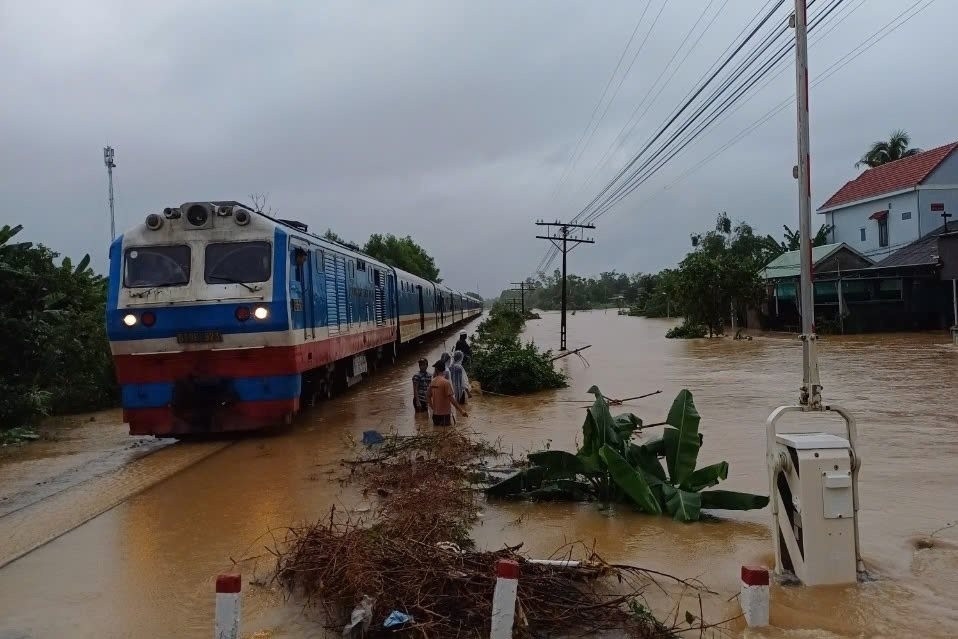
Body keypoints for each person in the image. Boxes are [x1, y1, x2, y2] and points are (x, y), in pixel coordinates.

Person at [428, 360, 467, 426]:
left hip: (435, 415)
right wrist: (461, 410)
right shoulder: (446, 382)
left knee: (437, 433)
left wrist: (432, 407)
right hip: (444, 415)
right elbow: (451, 399)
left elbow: (428, 396)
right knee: (445, 433)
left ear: (436, 369)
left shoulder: (432, 382)